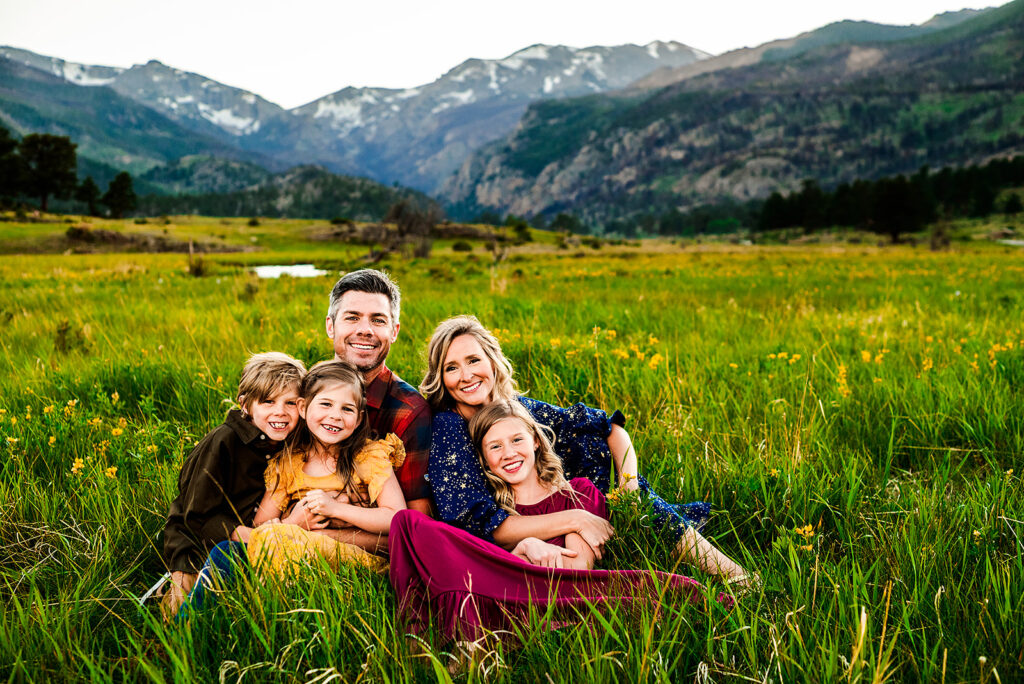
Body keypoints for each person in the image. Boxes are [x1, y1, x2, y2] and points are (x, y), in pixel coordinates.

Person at [423, 315, 754, 587]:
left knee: (648, 505)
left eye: (473, 360)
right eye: (451, 368)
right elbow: (483, 526)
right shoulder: (450, 429)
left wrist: (629, 486)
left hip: (591, 498)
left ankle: (736, 576)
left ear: (493, 363)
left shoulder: (521, 410)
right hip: (543, 525)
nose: (465, 375)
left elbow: (609, 426)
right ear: (440, 377)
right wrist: (578, 519)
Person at [389, 400, 733, 645]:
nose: (508, 453)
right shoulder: (493, 513)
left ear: (536, 442)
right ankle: (458, 636)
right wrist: (525, 544)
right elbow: (482, 559)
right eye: (495, 447)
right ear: (485, 462)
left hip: (556, 594)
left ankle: (492, 637)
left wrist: (524, 551)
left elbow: (578, 569)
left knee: (670, 592)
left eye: (517, 440)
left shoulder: (578, 494)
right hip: (495, 587)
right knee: (406, 523)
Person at [160, 351, 306, 618]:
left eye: (291, 403)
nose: (280, 412)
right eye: (268, 401)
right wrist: (265, 537)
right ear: (246, 405)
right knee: (191, 613)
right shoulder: (223, 442)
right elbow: (199, 518)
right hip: (197, 543)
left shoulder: (292, 443)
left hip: (254, 541)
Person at [247, 360, 407, 575]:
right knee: (272, 542)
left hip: (357, 566)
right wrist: (294, 523)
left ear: (359, 418)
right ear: (303, 408)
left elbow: (397, 518)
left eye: (347, 408)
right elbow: (261, 527)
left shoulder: (369, 457)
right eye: (325, 404)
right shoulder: (287, 464)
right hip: (300, 562)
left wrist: (336, 509)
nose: (335, 416)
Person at [324, 269, 432, 530]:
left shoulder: (410, 412)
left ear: (394, 331)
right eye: (352, 318)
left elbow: (419, 526)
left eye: (378, 320)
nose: (365, 330)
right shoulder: (304, 393)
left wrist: (312, 537)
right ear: (330, 326)